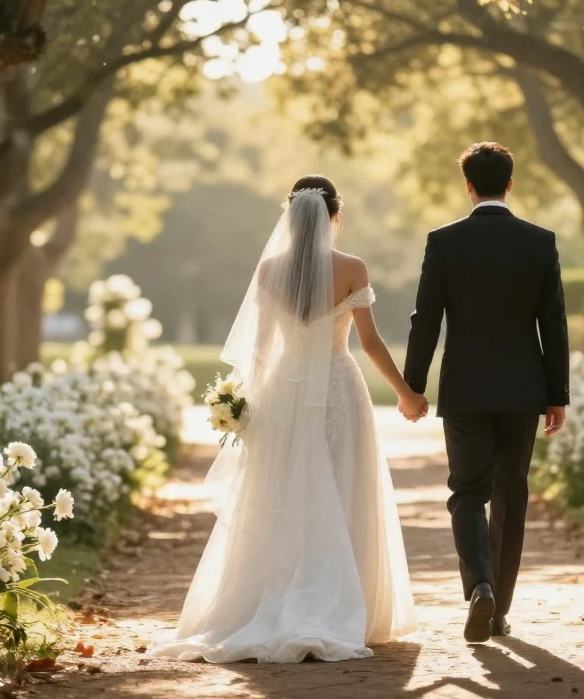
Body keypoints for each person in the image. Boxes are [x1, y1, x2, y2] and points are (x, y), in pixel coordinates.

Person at [151, 175, 418, 663]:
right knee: (342, 487)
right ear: (335, 216)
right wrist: (406, 394)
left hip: (285, 390)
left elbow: (259, 351)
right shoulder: (352, 267)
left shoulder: (270, 270)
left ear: (290, 217)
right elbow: (372, 343)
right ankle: (344, 607)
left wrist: (247, 407)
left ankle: (270, 601)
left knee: (280, 493)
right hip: (338, 387)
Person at [403, 141, 570, 643]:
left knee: (467, 493)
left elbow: (426, 318)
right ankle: (499, 613)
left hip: (466, 390)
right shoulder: (540, 241)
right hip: (523, 389)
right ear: (510, 184)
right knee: (510, 495)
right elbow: (554, 323)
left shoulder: (444, 241)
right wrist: (557, 394)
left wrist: (414, 385)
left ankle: (479, 586)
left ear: (468, 186)